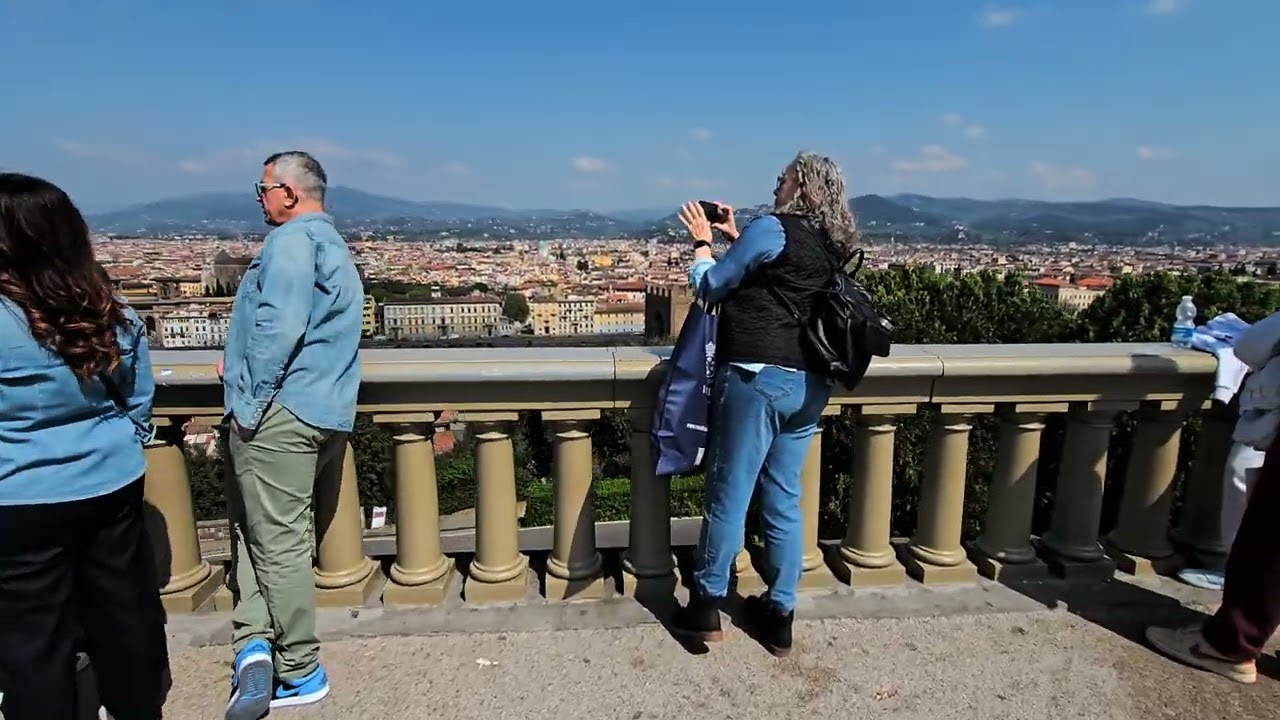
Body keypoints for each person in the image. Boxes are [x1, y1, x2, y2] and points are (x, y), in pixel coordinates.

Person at [670, 152, 856, 657]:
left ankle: (705, 608)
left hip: (757, 378)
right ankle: (780, 615)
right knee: (783, 499)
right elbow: (782, 279)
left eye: (785, 177)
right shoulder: (830, 241)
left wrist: (703, 243)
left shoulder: (774, 227)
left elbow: (711, 285)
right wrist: (737, 236)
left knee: (728, 495)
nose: (777, 182)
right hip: (809, 385)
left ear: (803, 188)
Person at [0, 173, 168, 719]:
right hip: (109, 481)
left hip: (16, 496)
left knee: (32, 641)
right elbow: (136, 393)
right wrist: (120, 441)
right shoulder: (102, 305)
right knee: (125, 613)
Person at [219, 151, 364, 720]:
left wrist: (249, 405)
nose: (258, 198)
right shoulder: (335, 246)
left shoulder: (290, 243)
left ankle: (300, 668)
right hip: (325, 412)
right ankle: (255, 644)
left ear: (288, 192)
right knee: (264, 530)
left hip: (282, 415)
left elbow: (279, 327)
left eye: (262, 188)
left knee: (274, 540)